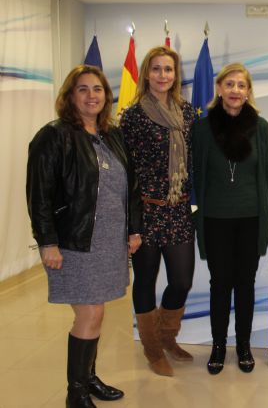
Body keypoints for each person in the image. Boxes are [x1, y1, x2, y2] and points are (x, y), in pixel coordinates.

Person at [26, 65, 143, 408]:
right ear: (70, 95)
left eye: (98, 89)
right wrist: (47, 242)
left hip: (108, 241)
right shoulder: (54, 136)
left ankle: (88, 378)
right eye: (83, 89)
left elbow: (130, 187)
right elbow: (39, 194)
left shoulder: (112, 135)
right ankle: (75, 392)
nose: (92, 95)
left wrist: (133, 228)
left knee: (97, 314)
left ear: (107, 96)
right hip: (74, 242)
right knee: (89, 315)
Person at [193, 63, 268, 375]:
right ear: (219, 89)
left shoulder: (260, 127)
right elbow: (197, 173)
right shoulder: (203, 128)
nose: (235, 90)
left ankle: (243, 345)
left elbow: (267, 171)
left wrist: (266, 209)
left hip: (250, 218)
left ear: (248, 91)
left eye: (241, 85)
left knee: (245, 283)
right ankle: (218, 345)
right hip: (215, 218)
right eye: (229, 84)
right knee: (220, 283)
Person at [120, 46, 196, 377]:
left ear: (175, 74)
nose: (162, 75)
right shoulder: (134, 115)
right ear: (146, 74)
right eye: (156, 69)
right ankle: (152, 349)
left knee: (181, 280)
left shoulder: (187, 113)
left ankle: (166, 336)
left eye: (168, 69)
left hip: (178, 210)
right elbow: (126, 171)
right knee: (146, 281)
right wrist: (131, 224)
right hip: (146, 212)